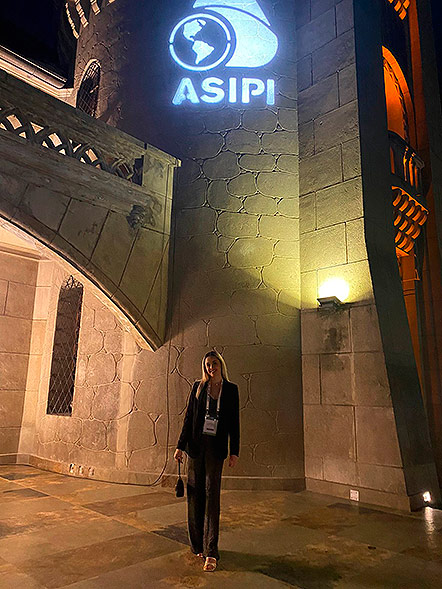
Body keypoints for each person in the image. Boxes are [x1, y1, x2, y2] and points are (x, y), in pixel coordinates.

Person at [174, 350, 240, 572]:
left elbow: (234, 422)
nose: (211, 367)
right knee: (195, 496)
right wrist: (180, 446)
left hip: (216, 448)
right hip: (196, 447)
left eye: (214, 363)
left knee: (212, 496)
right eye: (208, 364)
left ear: (221, 364)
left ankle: (211, 551)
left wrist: (234, 451)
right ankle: (197, 545)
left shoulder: (231, 390)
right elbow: (189, 417)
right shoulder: (198, 387)